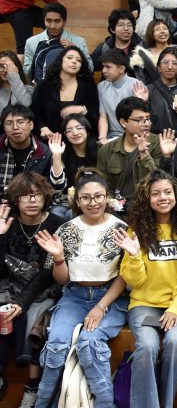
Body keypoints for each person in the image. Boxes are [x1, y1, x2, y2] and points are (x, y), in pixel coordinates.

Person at [33, 171, 129, 408]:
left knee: (89, 342)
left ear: (107, 197)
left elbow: (126, 276)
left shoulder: (122, 229)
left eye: (98, 196)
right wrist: (58, 258)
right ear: (77, 200)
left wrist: (100, 307)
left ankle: (105, 404)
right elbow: (63, 279)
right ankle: (42, 403)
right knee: (56, 345)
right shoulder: (66, 230)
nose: (93, 202)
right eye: (86, 198)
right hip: (74, 295)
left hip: (110, 297)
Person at [115, 170, 177, 408]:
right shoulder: (136, 231)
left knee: (175, 343)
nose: (163, 197)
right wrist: (134, 256)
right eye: (156, 193)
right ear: (147, 198)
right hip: (145, 303)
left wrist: (175, 308)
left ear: (176, 195)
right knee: (147, 346)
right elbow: (135, 281)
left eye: (167, 192)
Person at [0, 173, 64, 407]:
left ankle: (33, 385)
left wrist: (22, 302)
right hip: (10, 285)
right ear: (15, 200)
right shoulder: (8, 222)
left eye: (37, 195)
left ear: (45, 197)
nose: (32, 200)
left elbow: (47, 275)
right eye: (25, 196)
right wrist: (0, 236)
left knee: (33, 316)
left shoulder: (56, 224)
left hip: (45, 288)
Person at [96, 97, 169, 206]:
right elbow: (103, 186)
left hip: (150, 205)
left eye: (147, 118)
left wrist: (145, 154)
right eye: (139, 120)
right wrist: (113, 204)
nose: (146, 124)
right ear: (123, 122)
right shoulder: (106, 150)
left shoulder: (159, 143)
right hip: (117, 207)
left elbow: (158, 182)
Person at [30, 45, 98, 140]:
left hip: (81, 141)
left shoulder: (89, 86)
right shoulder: (44, 85)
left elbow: (96, 116)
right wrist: (42, 127)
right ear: (60, 60)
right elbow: (34, 113)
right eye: (69, 58)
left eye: (79, 60)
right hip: (51, 141)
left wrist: (83, 110)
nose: (74, 61)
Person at [0, 104, 64, 195]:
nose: (15, 127)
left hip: (33, 201)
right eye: (9, 123)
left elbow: (57, 188)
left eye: (20, 122)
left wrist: (57, 156)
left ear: (31, 125)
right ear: (4, 127)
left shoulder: (44, 152)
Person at [22, 2, 93, 82]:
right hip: (41, 86)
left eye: (57, 21)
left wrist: (76, 50)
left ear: (65, 22)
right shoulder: (31, 42)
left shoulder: (79, 41)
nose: (53, 26)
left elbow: (90, 69)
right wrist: (38, 57)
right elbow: (26, 75)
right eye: (48, 21)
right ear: (44, 20)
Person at [147, 46, 177, 135]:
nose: (170, 67)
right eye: (165, 62)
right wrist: (142, 100)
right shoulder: (148, 90)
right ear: (159, 67)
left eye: (174, 63)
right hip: (156, 138)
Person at [97, 48, 144, 141]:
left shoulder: (136, 85)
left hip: (133, 136)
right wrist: (102, 137)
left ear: (121, 69)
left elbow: (140, 119)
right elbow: (103, 116)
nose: (104, 71)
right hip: (111, 137)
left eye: (108, 67)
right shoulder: (101, 86)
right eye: (103, 67)